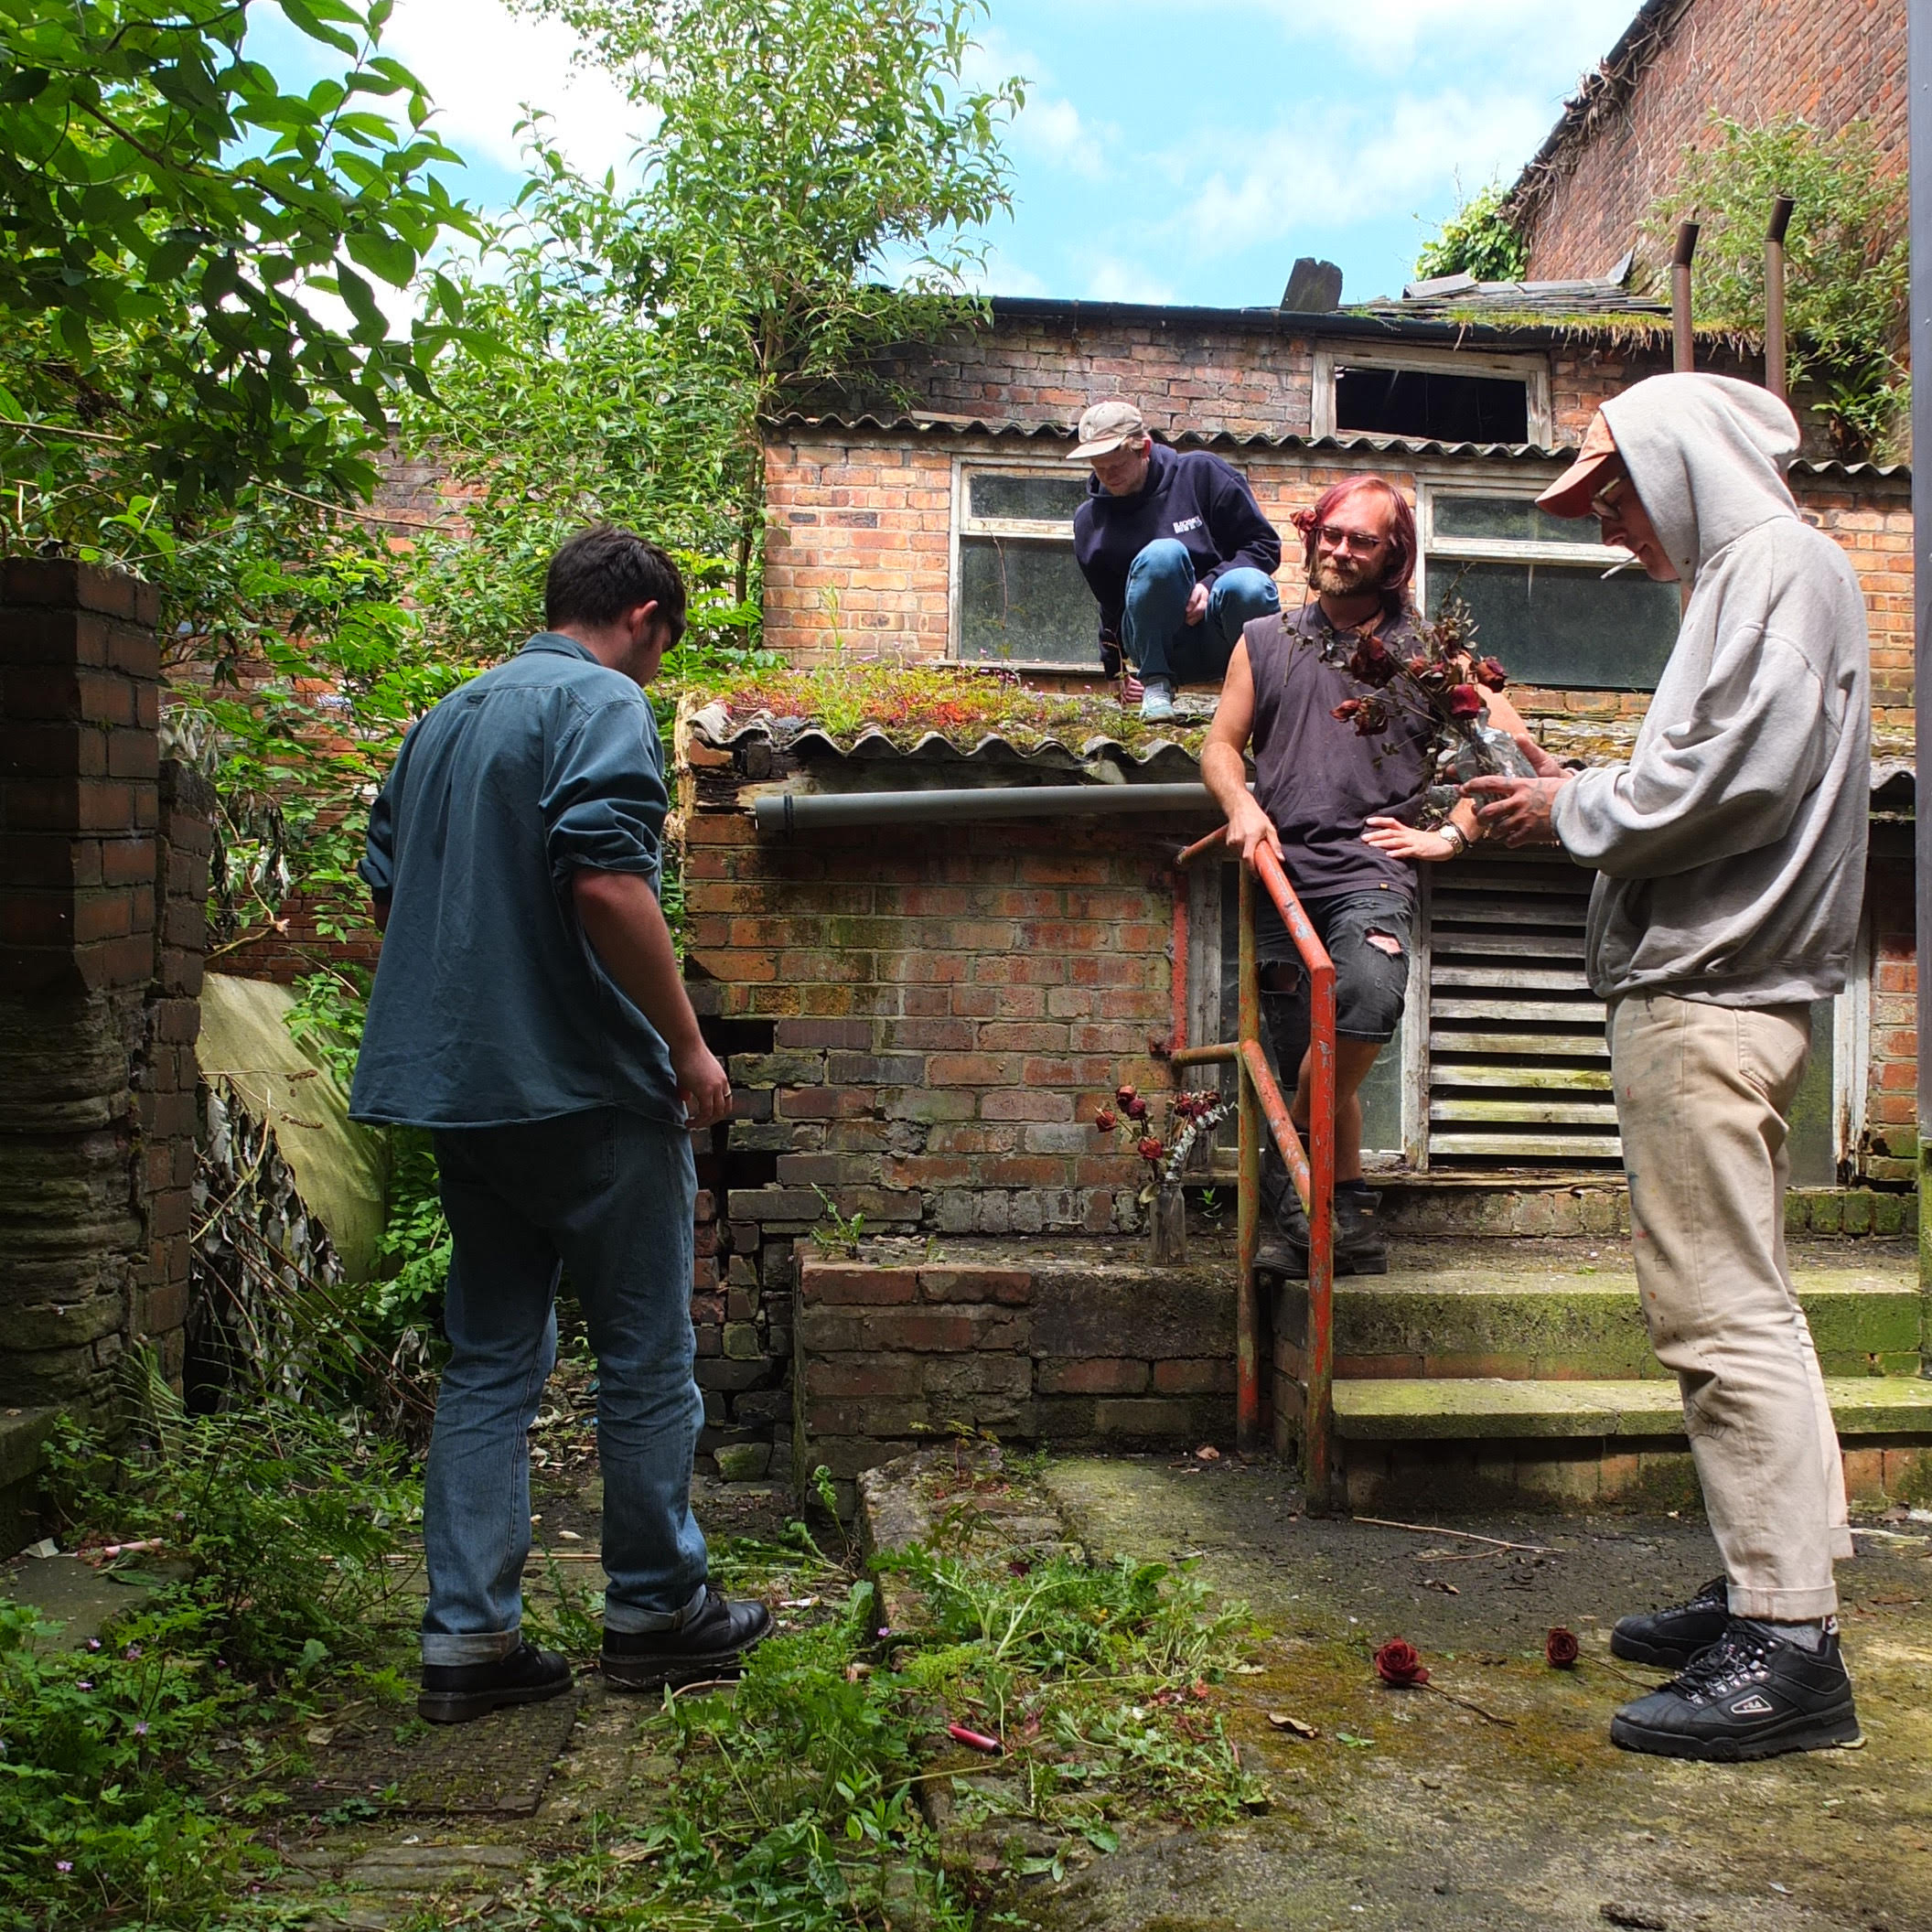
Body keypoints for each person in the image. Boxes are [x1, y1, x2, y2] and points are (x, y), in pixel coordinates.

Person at [1469, 374, 1869, 1763]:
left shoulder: (1777, 568)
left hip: (1711, 993)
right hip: (1721, 987)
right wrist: (1571, 782)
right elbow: (1713, 773)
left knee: (1719, 1317)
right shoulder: (1755, 580)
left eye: (1615, 493)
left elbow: (1736, 781)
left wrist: (1563, 805)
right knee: (1747, 1305)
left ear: (1681, 461)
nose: (1610, 527)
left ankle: (1790, 1648)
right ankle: (1773, 1580)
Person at [349, 526, 771, 1724]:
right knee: (645, 1355)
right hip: (588, 1093)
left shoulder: (444, 719)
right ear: (642, 618)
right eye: (662, 648)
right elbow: (605, 879)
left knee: (490, 1358)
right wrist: (686, 1046)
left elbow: (388, 896)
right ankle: (656, 1614)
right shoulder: (599, 702)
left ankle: (468, 1640)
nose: (654, 671)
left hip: (462, 1094)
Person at [1201, 474, 1526, 1277]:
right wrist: (1241, 806)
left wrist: (1453, 833)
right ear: (1313, 535)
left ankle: (1292, 1200)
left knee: (1366, 999)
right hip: (1280, 873)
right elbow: (1220, 746)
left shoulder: (1428, 653)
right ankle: (1343, 1221)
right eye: (1332, 533)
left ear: (1393, 556)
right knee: (1299, 1057)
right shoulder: (1264, 639)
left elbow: (1511, 753)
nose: (1341, 550)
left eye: (1363, 541)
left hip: (1371, 869)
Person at [1069, 399, 1282, 723]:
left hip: (1221, 631)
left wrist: (1210, 584)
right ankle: (1157, 686)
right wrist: (1114, 669)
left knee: (1248, 585)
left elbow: (1264, 545)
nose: (1108, 477)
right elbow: (1110, 604)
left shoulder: (1201, 474)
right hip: (1153, 645)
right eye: (1099, 468)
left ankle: (1258, 692)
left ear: (1144, 449)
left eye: (1117, 466)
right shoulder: (1090, 521)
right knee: (1162, 556)